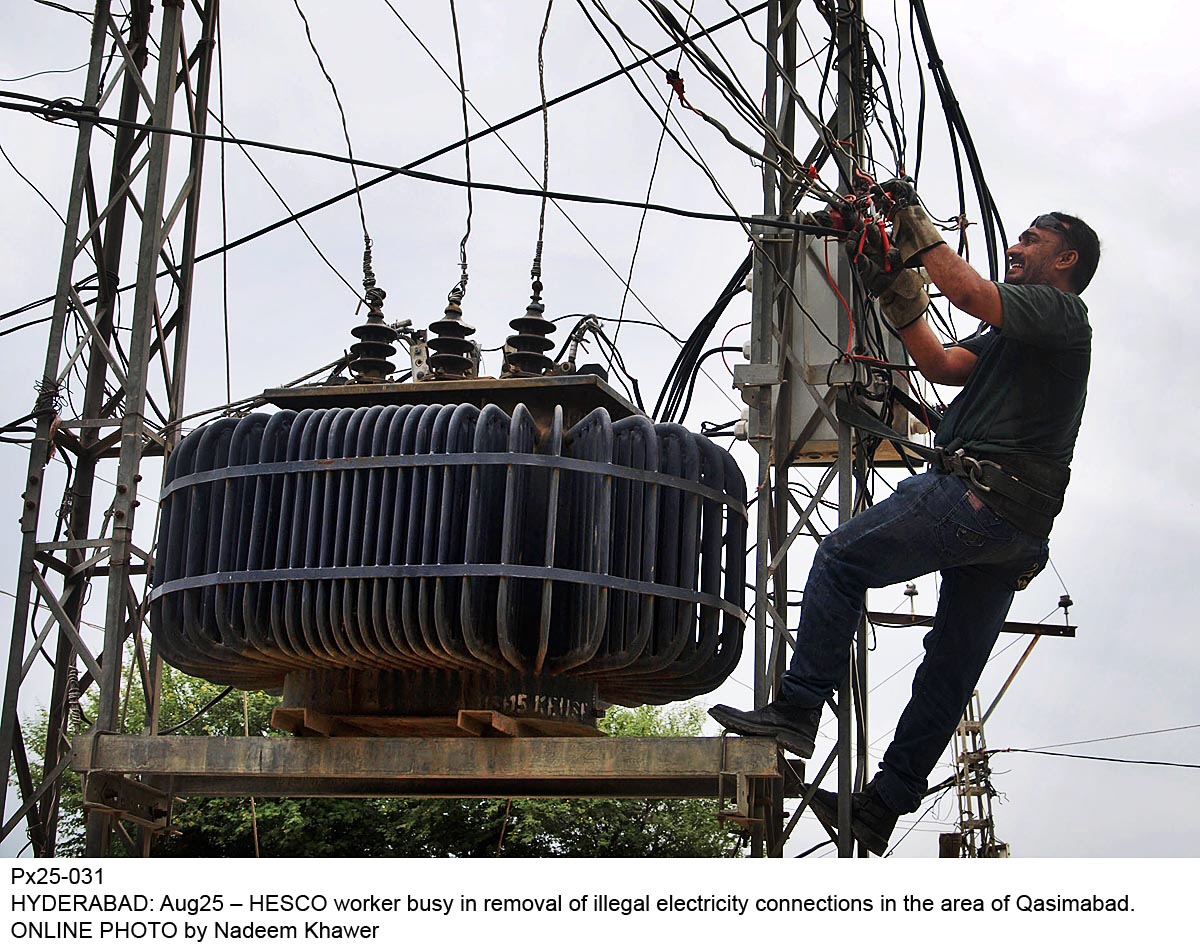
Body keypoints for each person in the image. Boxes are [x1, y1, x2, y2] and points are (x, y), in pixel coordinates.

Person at [709, 188, 1100, 855]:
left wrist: (910, 220)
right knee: (948, 672)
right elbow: (941, 363)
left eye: (1030, 239)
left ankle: (798, 710)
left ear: (1065, 258)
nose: (1015, 246)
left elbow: (968, 290)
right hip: (1012, 533)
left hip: (978, 498)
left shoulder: (1061, 314)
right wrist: (891, 280)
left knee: (840, 558)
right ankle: (881, 806)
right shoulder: (1021, 336)